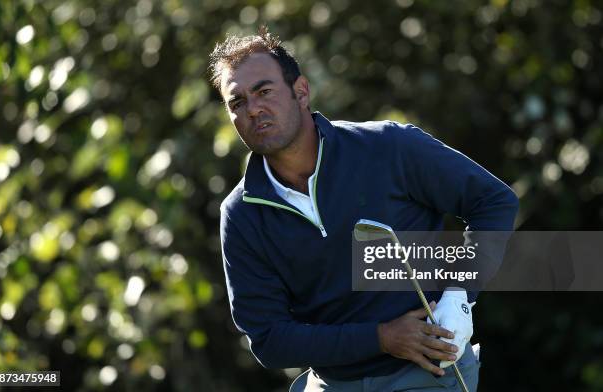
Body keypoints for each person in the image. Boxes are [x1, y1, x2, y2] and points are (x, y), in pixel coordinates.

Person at [210, 27, 518, 391]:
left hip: (428, 374)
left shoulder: (387, 147)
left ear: (301, 91)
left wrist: (459, 296)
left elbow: (494, 201)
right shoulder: (240, 213)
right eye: (237, 102)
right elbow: (270, 340)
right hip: (331, 383)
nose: (253, 109)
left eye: (264, 91)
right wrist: (382, 337)